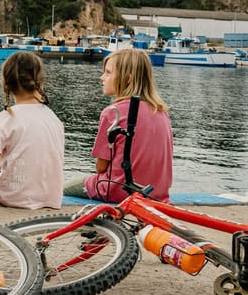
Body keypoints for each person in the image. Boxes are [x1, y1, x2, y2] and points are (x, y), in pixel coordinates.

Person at [63, 48, 173, 202]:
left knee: (63, 188)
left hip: (118, 190)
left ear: (127, 79)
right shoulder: (162, 113)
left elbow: (100, 168)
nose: (102, 77)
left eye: (108, 73)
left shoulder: (113, 113)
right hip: (155, 193)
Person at [0, 52, 65, 209]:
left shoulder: (6, 119)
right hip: (51, 197)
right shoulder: (53, 119)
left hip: (15, 198)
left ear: (6, 83)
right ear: (39, 80)